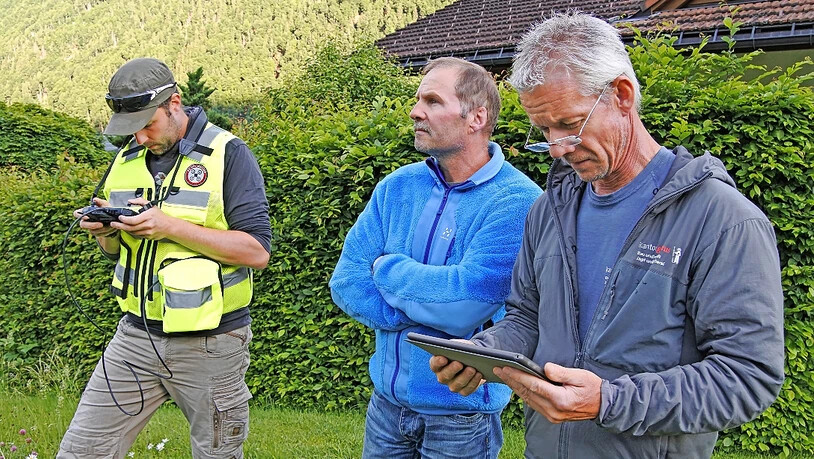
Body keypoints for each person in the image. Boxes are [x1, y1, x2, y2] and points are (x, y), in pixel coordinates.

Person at [431, 13, 785, 459]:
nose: (558, 147)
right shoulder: (549, 210)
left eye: (570, 124)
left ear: (622, 95)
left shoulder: (723, 220)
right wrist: (483, 352)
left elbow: (748, 376)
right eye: (545, 131)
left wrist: (607, 401)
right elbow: (526, 318)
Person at [329, 57, 541, 458]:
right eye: (417, 99)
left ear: (476, 117)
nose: (415, 111)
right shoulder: (398, 186)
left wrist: (387, 268)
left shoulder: (517, 201)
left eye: (432, 101)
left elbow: (464, 307)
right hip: (386, 408)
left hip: (461, 417)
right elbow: (346, 280)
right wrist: (415, 316)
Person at [59, 58, 271, 459]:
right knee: (82, 450)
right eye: (130, 129)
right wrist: (106, 233)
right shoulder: (125, 162)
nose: (139, 138)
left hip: (211, 344)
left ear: (174, 103)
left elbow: (256, 251)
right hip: (134, 339)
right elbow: (117, 252)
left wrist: (170, 226)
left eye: (147, 125)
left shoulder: (230, 154)